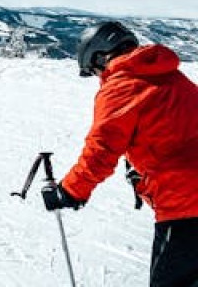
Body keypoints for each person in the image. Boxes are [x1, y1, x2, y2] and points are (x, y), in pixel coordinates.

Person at [42, 20, 198, 287]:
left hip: (185, 204)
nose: (98, 76)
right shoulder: (173, 77)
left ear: (101, 57)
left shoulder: (121, 86)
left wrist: (69, 191)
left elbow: (101, 151)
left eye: (94, 70)